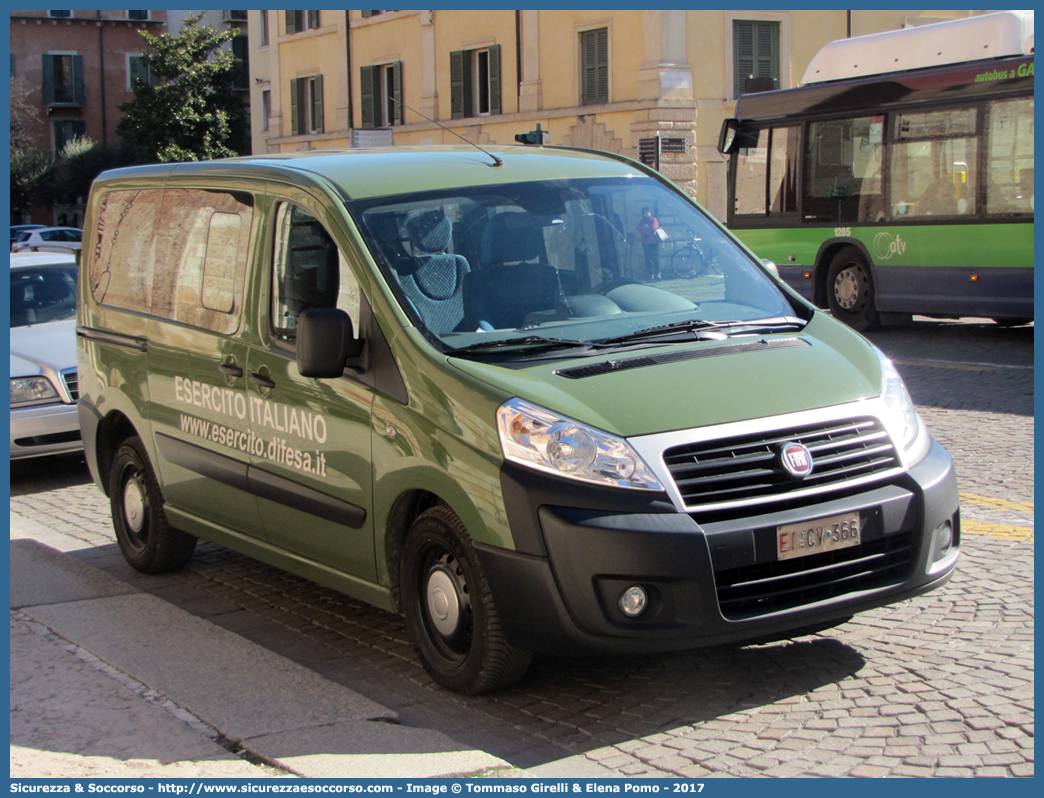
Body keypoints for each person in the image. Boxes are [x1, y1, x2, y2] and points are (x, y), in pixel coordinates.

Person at [636, 206, 662, 280]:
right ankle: (650, 274)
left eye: (647, 212)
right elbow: (638, 228)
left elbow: (653, 228)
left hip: (653, 242)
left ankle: (658, 273)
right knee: (648, 259)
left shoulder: (654, 219)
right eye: (645, 212)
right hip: (645, 242)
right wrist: (646, 228)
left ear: (650, 213)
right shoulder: (642, 221)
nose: (646, 214)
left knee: (655, 258)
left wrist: (645, 228)